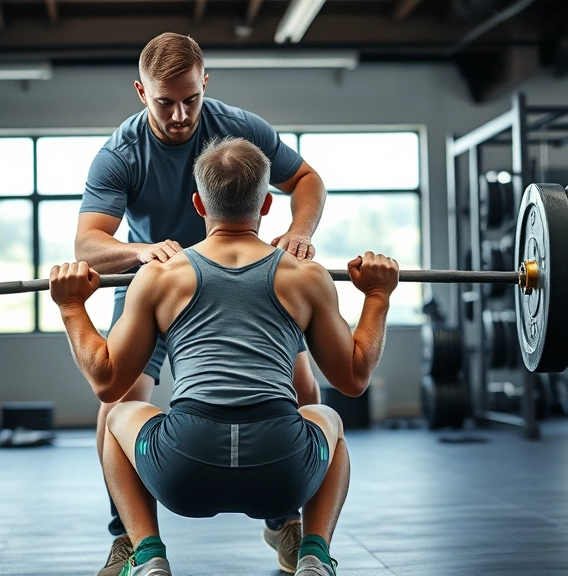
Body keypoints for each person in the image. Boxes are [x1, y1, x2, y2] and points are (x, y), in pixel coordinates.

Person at [52, 136, 398, 576]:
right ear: (268, 205)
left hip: (183, 472)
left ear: (198, 204)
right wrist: (377, 296)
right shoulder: (307, 277)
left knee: (119, 414)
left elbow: (107, 381)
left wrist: (70, 306)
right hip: (281, 473)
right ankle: (314, 553)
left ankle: (146, 554)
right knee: (328, 419)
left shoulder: (159, 277)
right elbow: (353, 379)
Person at [75, 32, 329, 575]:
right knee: (115, 401)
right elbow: (88, 245)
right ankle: (129, 540)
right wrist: (141, 250)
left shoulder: (238, 125)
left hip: (239, 279)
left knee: (306, 390)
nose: (179, 114)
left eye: (190, 98)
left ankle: (286, 523)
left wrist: (299, 231)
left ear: (204, 82)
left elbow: (305, 178)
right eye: (164, 102)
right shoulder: (121, 153)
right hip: (155, 283)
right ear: (141, 91)